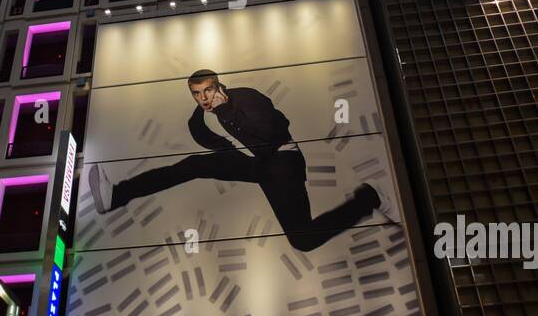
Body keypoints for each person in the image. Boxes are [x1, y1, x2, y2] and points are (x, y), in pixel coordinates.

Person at [89, 69, 397, 253]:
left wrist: (227, 113)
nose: (204, 98)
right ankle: (115, 194)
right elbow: (212, 142)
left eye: (209, 90)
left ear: (219, 86)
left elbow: (267, 138)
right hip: (255, 164)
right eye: (197, 94)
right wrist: (221, 153)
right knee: (194, 165)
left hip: (280, 161)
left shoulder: (247, 98)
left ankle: (368, 198)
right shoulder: (201, 117)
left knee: (301, 240)